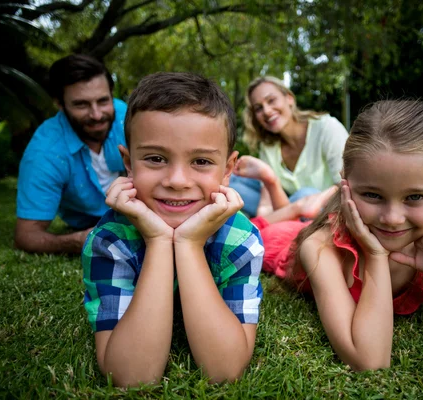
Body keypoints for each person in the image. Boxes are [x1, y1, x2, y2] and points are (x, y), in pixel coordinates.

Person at [253, 99, 423, 370]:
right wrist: (376, 255)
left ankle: (302, 207)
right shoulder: (319, 247)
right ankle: (293, 204)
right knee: (253, 230)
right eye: (373, 195)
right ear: (345, 184)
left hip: (320, 222)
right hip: (285, 240)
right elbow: (369, 360)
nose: (392, 219)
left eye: (414, 197)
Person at [81, 72, 264, 387]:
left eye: (201, 162)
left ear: (229, 169)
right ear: (128, 162)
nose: (177, 180)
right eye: (155, 158)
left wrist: (190, 244)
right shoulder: (110, 240)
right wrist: (158, 240)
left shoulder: (240, 240)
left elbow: (224, 370)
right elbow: (131, 377)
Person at [15, 54, 128, 254]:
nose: (96, 114)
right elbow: (26, 236)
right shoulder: (45, 152)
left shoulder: (127, 118)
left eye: (103, 101)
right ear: (60, 104)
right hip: (86, 222)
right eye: (81, 105)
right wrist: (79, 240)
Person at [230, 76, 349, 218]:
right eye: (258, 108)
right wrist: (266, 219)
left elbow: (349, 186)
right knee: (230, 179)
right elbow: (266, 205)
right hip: (289, 205)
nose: (267, 111)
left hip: (326, 208)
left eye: (271, 100)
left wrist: (309, 201)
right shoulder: (269, 146)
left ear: (289, 98)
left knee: (306, 194)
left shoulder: (327, 128)